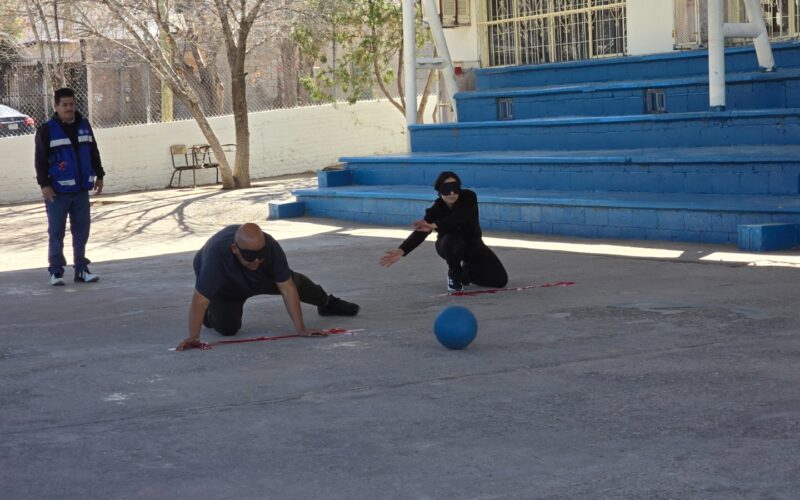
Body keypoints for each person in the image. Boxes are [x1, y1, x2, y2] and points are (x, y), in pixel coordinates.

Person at [176, 223, 360, 351]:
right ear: (235, 249)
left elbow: (287, 288)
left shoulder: (270, 246)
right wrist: (194, 337)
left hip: (260, 278)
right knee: (227, 329)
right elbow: (199, 301)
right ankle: (210, 316)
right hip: (227, 287)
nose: (256, 260)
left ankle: (327, 303)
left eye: (260, 254)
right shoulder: (215, 258)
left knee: (296, 282)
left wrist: (301, 328)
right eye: (250, 256)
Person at [379, 171, 508, 292]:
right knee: (453, 240)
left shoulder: (469, 197)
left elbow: (460, 217)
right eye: (447, 189)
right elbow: (421, 231)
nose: (452, 193)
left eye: (455, 188)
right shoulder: (436, 209)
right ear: (439, 190)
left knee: (499, 280)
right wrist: (403, 250)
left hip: (473, 245)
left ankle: (465, 272)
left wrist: (434, 225)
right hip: (449, 246)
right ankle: (454, 274)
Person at [35, 87, 105, 286]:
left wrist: (99, 174)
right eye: (65, 105)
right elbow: (40, 160)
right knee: (56, 232)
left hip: (81, 190)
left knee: (82, 231)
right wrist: (44, 185)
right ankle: (56, 271)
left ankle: (81, 269)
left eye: (72, 104)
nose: (69, 108)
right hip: (57, 192)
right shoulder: (47, 130)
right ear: (56, 106)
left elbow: (93, 151)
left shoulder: (84, 125)